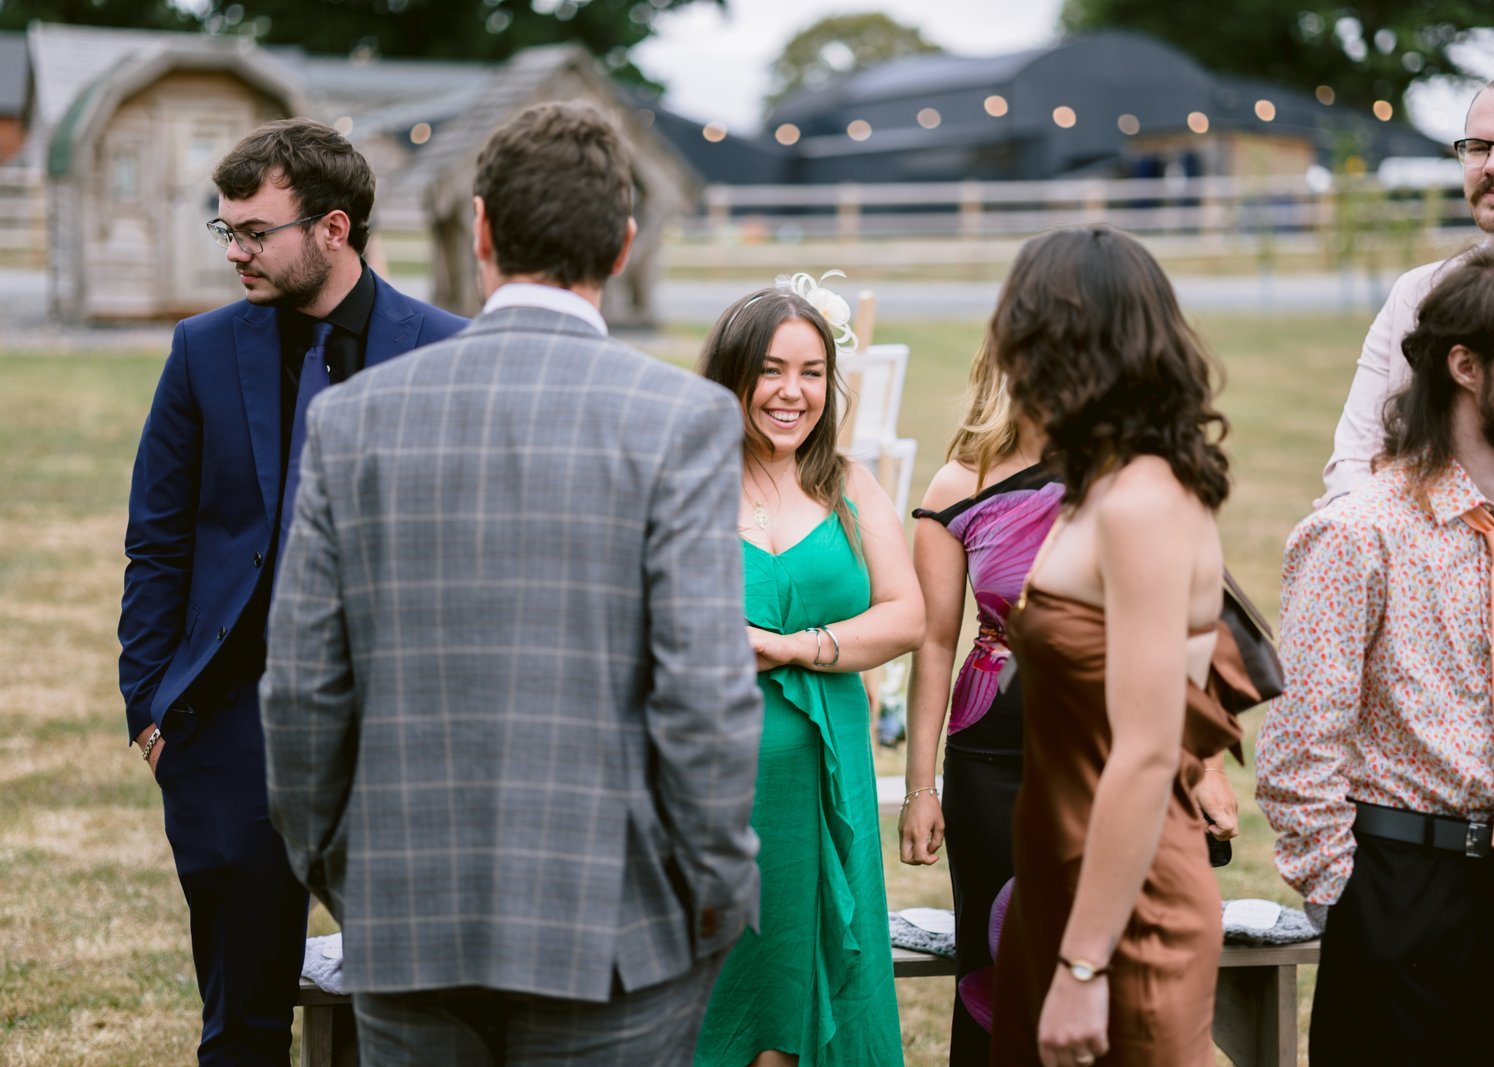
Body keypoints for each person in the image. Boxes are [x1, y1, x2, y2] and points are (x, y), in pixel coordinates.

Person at [259, 102, 764, 1065]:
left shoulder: (354, 419)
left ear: (482, 229)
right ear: (622, 246)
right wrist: (717, 891)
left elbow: (302, 692)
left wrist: (347, 873)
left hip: (409, 916)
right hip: (617, 928)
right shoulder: (680, 419)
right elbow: (705, 696)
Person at [116, 118, 465, 1064]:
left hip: (401, 736)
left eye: (253, 231)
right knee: (243, 1029)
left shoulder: (446, 351)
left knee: (421, 1020)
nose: (235, 251)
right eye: (224, 230)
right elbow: (158, 539)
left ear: (333, 228)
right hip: (232, 730)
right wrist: (152, 703)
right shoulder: (201, 350)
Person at [1257, 242, 1494, 1065]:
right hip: (1399, 889)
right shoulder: (1354, 533)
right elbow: (1303, 745)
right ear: (1465, 365)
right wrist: (1344, 894)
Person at [899, 342, 1240, 1065]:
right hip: (988, 764)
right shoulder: (959, 482)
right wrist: (920, 787)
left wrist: (1206, 764)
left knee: (1114, 957)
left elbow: (1192, 627)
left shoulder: (1126, 480)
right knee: (996, 956)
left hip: (1108, 754)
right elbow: (934, 641)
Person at [985, 226, 1240, 1067]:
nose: (1009, 361)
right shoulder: (1094, 487)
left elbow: (1144, 751)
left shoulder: (1146, 503)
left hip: (1128, 911)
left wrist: (1085, 964)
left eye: (1022, 337)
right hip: (1058, 885)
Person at [691, 274, 924, 1067]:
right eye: (771, 370)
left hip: (829, 782)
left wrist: (792, 647)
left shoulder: (850, 484)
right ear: (731, 374)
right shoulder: (689, 481)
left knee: (816, 983)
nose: (793, 392)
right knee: (722, 1002)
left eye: (812, 373)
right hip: (714, 787)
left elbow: (907, 615)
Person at [1322, 58, 1494, 506]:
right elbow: (1350, 466)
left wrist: (1391, 492)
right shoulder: (1417, 292)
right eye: (1477, 147)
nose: (1492, 165)